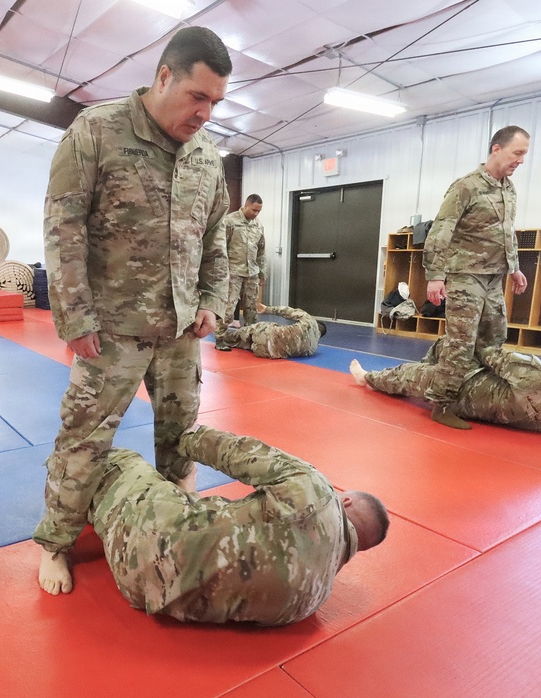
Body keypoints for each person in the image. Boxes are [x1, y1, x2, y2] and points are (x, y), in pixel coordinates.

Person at [35, 26, 233, 595]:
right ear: (164, 76)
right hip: (112, 331)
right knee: (83, 439)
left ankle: (175, 527)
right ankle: (55, 541)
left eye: (216, 103)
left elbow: (215, 236)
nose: (206, 114)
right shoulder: (96, 131)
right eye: (198, 97)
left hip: (179, 330)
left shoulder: (206, 156)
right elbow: (63, 227)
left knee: (180, 436)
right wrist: (74, 318)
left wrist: (214, 302)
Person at [88, 425, 389, 625]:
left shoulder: (319, 491)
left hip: (144, 535)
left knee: (112, 459)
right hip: (147, 595)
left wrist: (186, 437)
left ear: (346, 502)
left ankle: (62, 533)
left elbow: (238, 453)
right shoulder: (313, 602)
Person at [423, 125, 530, 430]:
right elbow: (440, 231)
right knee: (461, 341)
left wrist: (515, 267)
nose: (521, 160)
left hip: (494, 277)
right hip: (465, 275)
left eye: (524, 154)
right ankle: (441, 403)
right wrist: (435, 276)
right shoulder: (466, 187)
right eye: (517, 153)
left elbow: (507, 233)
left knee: (494, 336)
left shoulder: (508, 188)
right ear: (497, 149)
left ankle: (478, 394)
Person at [349, 338, 541, 434]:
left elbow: (497, 357)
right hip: (475, 408)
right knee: (441, 351)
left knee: (410, 373)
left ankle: (367, 379)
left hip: (461, 387)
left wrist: (471, 338)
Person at [215, 194, 266, 351]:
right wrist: (221, 272)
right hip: (233, 272)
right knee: (229, 308)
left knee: (251, 308)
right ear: (246, 205)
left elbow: (261, 251)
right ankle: (220, 338)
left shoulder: (258, 225)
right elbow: (220, 248)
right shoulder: (230, 221)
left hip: (252, 272)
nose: (256, 214)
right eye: (254, 210)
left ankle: (250, 338)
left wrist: (262, 272)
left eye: (259, 211)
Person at [220, 302, 326, 359]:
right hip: (265, 352)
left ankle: (222, 338)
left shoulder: (310, 321)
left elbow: (287, 311)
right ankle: (238, 342)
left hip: (265, 334)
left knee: (264, 327)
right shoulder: (313, 349)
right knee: (244, 343)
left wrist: (267, 309)